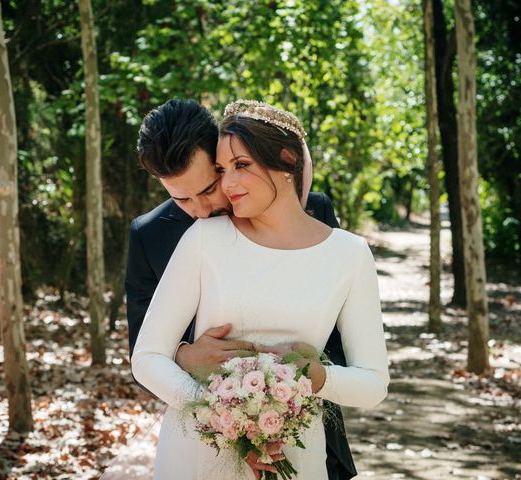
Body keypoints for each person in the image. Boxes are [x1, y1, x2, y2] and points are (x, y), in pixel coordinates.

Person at [131, 100, 389, 479]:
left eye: (237, 168)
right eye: (224, 170)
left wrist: (315, 377)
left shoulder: (348, 251)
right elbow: (146, 354)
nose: (205, 205)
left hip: (297, 447)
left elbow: (371, 380)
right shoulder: (201, 237)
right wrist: (226, 416)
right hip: (202, 451)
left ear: (286, 161)